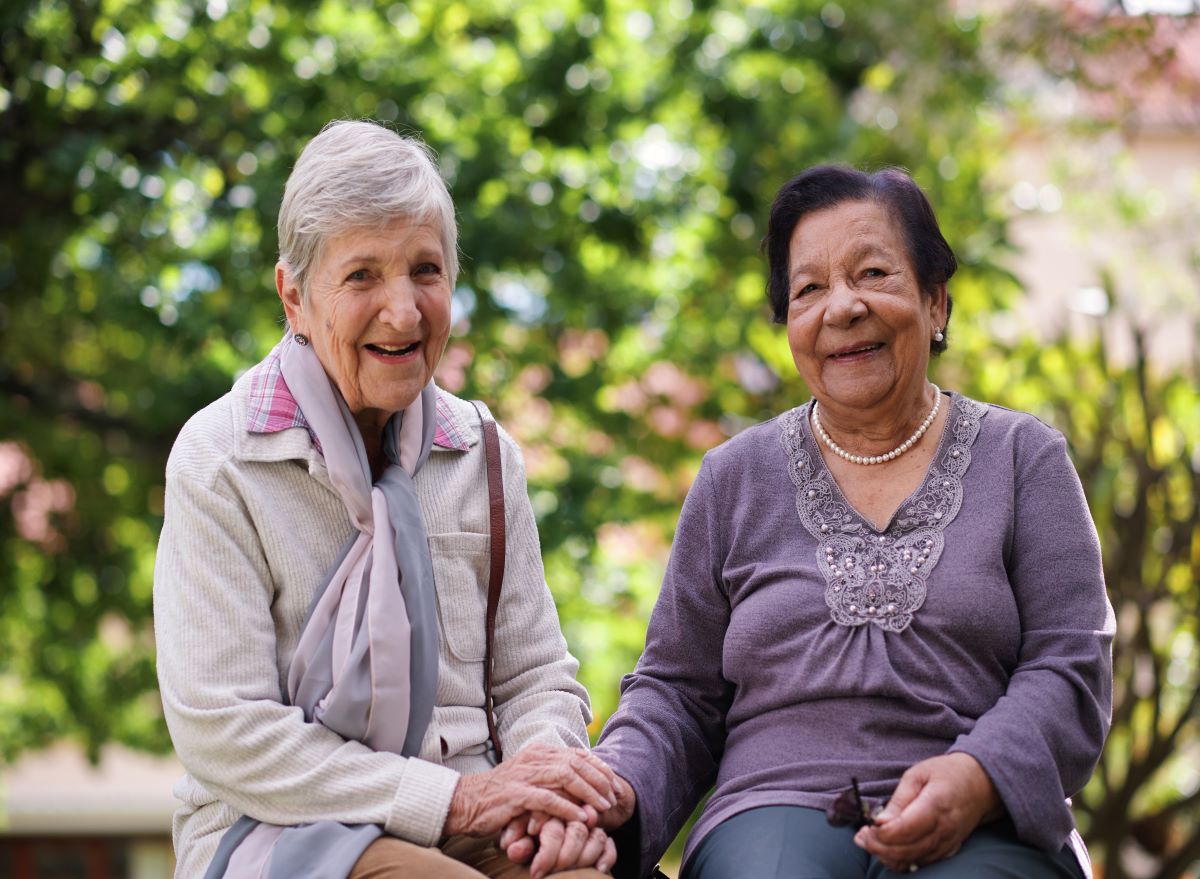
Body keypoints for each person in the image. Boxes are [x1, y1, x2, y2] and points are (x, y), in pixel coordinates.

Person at [523, 165, 1114, 878]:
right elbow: (676, 692)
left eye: (872, 273)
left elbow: (1070, 663)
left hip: (983, 819)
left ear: (936, 302)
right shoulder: (733, 478)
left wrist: (980, 773)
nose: (843, 307)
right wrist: (616, 790)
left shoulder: (1025, 460)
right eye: (809, 290)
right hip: (769, 810)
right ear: (789, 325)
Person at [153, 120, 619, 879]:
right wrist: (454, 800)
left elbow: (537, 676)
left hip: (484, 810)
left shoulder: (484, 451)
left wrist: (545, 789)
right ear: (295, 297)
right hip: (283, 829)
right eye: (363, 275)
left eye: (426, 271)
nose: (403, 312)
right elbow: (227, 730)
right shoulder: (221, 460)